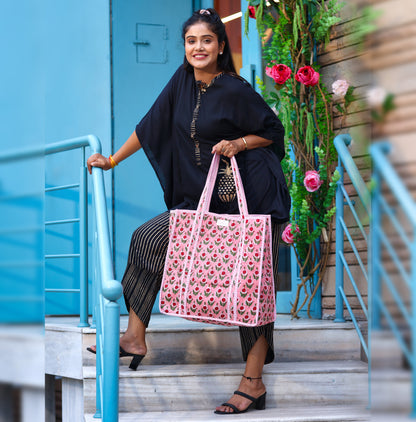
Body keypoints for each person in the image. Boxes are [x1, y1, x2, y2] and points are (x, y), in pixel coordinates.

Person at [87, 8, 290, 415]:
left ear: (220, 47)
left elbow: (272, 131)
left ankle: (253, 382)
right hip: (204, 199)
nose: (198, 48)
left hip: (251, 199)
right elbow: (149, 126)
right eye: (191, 41)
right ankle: (134, 336)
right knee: (147, 239)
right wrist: (111, 161)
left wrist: (238, 143)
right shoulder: (181, 81)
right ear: (185, 47)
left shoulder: (234, 89)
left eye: (207, 41)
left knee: (248, 285)